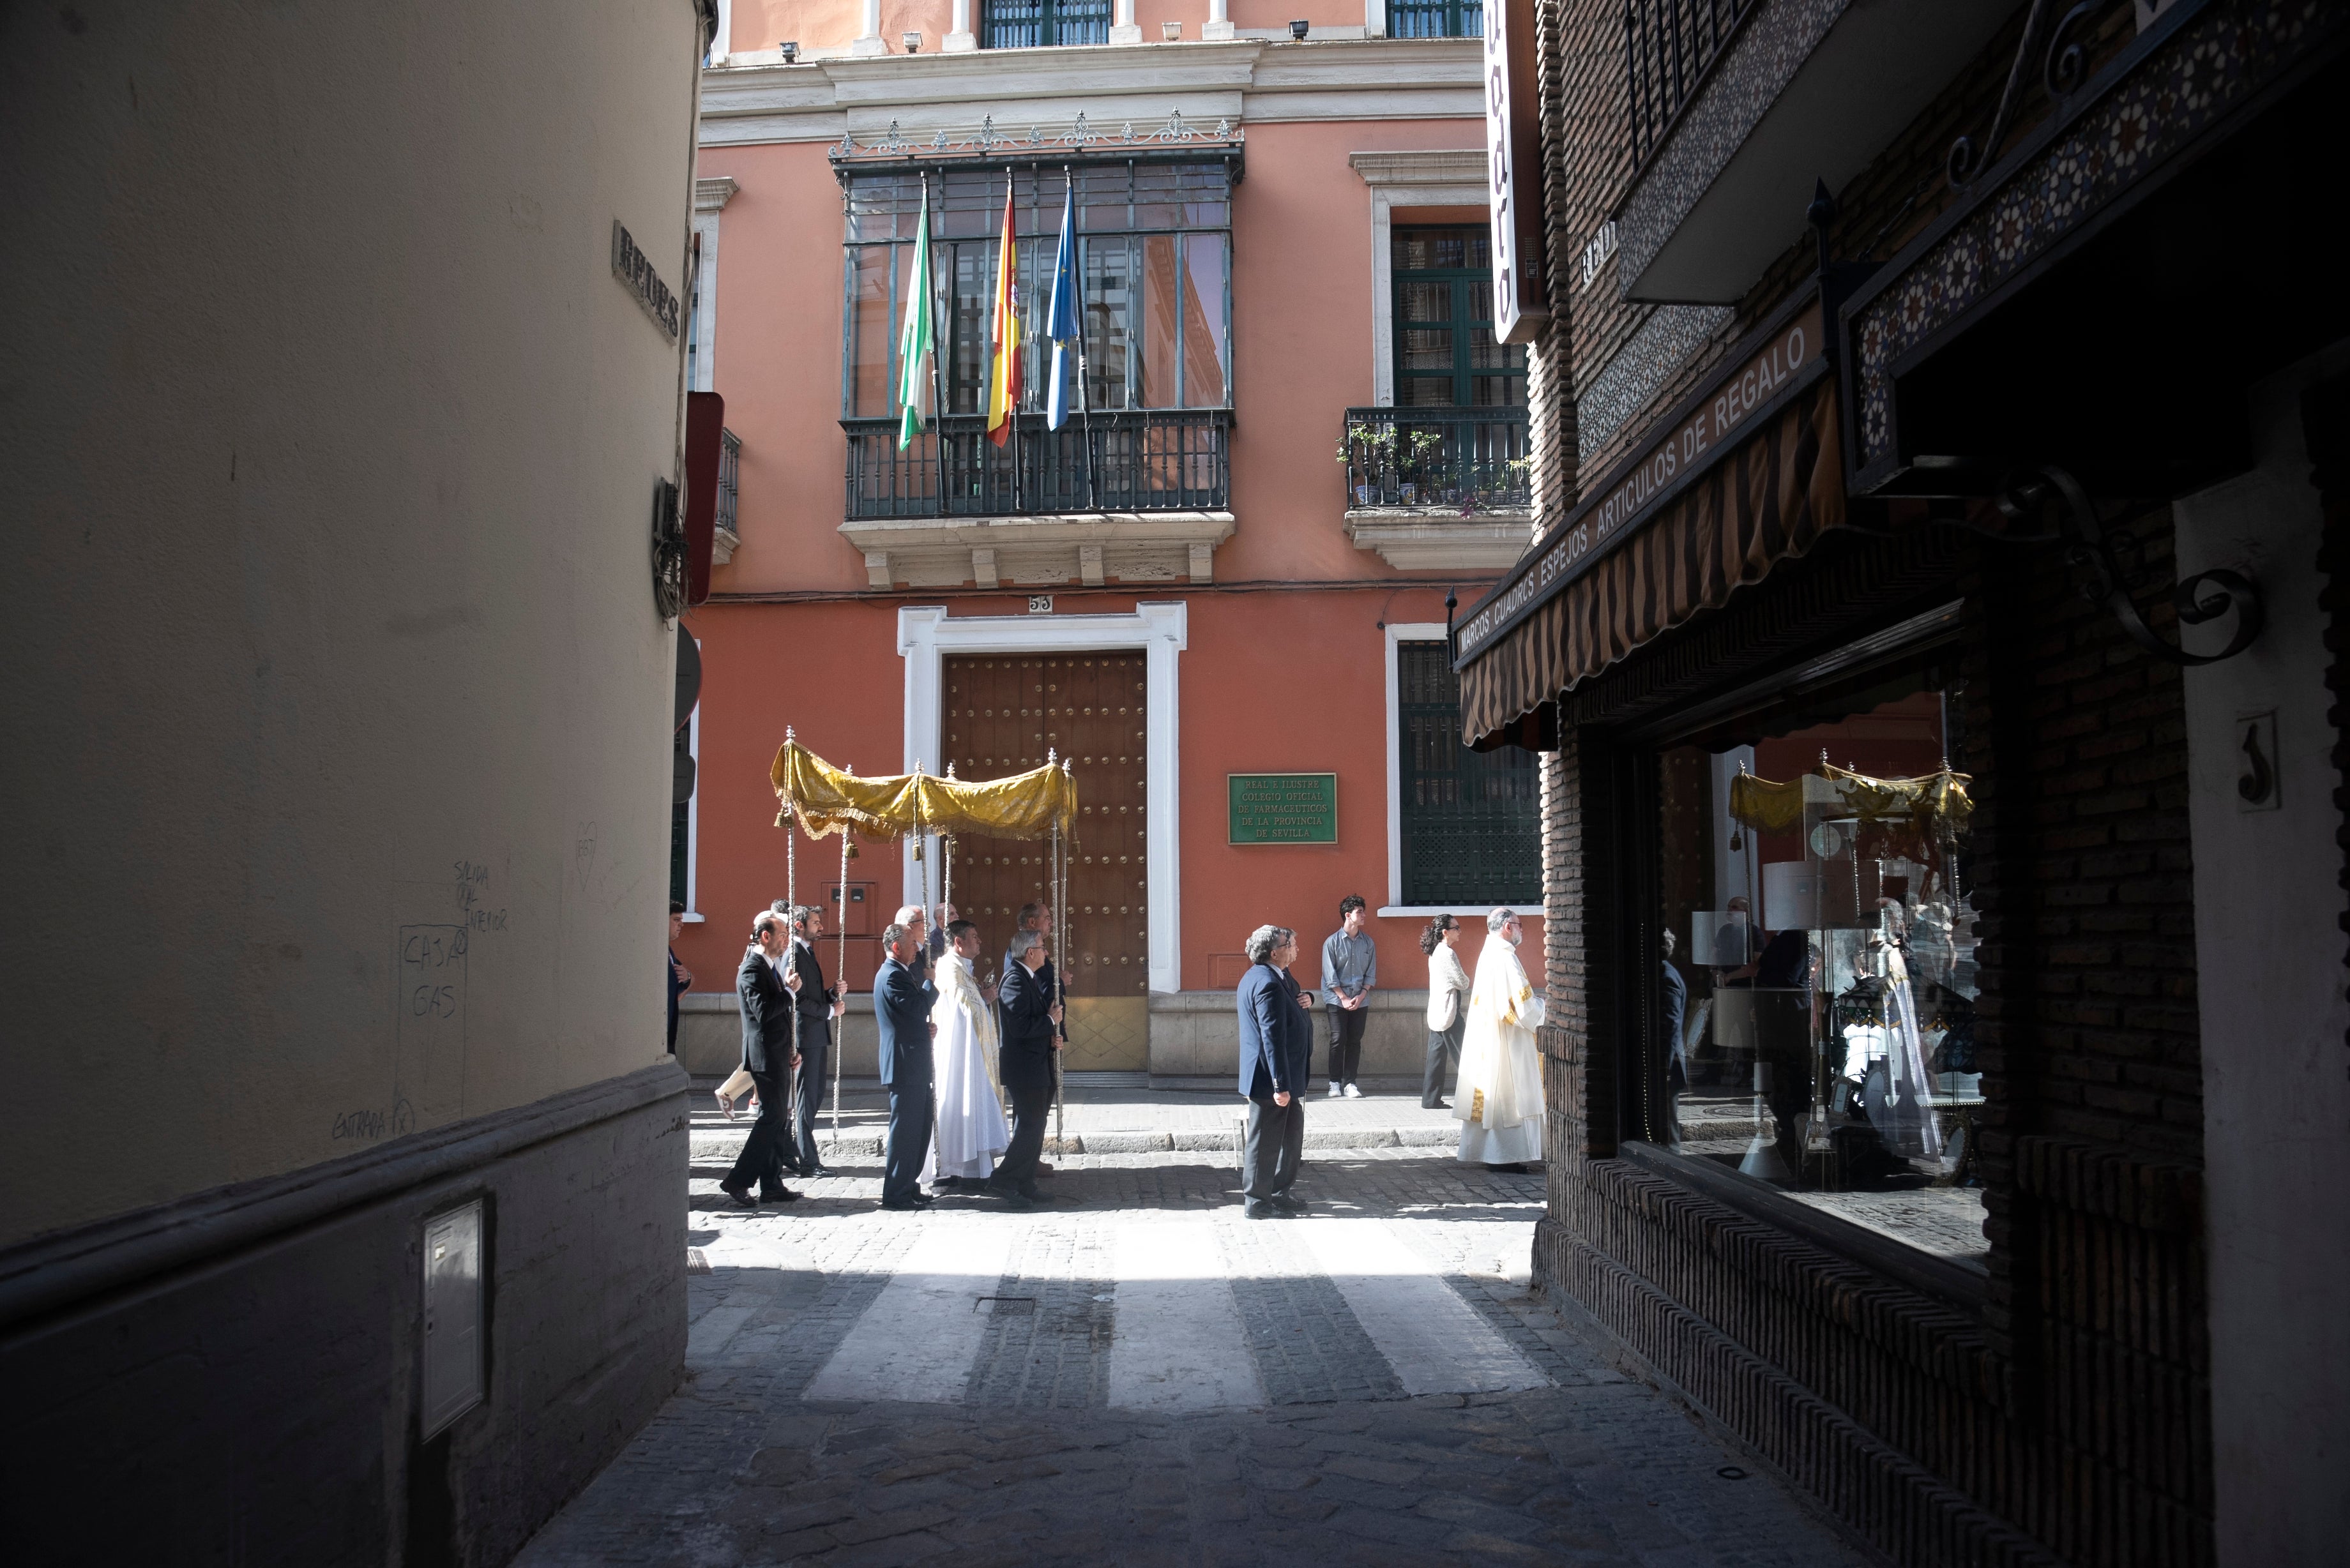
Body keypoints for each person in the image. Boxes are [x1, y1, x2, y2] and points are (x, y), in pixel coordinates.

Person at [720, 910, 803, 1207]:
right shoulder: (752, 968)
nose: (785, 942)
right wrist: (790, 993)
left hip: (778, 1052)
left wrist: (792, 1050)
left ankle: (771, 1184)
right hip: (765, 1055)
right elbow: (764, 1012)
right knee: (772, 1118)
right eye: (782, 936)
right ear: (765, 936)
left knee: (779, 1119)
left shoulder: (768, 965)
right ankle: (738, 1180)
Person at [1455, 908, 1545, 1171]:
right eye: (1519, 924)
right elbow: (1521, 1007)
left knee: (1496, 1092)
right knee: (1509, 1093)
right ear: (1507, 926)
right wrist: (1543, 1007)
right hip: (1507, 1039)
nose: (1522, 930)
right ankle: (1505, 1156)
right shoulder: (1505, 958)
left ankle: (1493, 1153)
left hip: (1490, 1035)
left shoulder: (1489, 954)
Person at [927, 919, 1009, 1187]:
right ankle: (957, 1168)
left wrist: (983, 998)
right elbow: (961, 1013)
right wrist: (983, 1000)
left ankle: (973, 1169)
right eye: (974, 936)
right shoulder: (950, 970)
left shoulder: (961, 968)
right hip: (961, 1057)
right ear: (959, 942)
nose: (980, 941)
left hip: (973, 1054)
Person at [1237, 924, 1311, 1218]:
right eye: (1288, 944)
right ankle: (1257, 1203)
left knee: (1290, 1137)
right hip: (1269, 1077)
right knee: (1265, 1142)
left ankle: (1280, 1193)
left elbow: (1294, 997)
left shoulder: (1275, 976)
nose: (1294, 947)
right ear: (1274, 952)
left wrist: (1310, 1000)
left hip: (1284, 1075)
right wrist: (1280, 1085)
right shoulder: (1265, 981)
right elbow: (1272, 1036)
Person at [989, 927, 1064, 1208]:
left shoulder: (1028, 978)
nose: (1047, 952)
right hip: (1024, 1068)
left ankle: (1025, 1181)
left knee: (1036, 1126)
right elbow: (1019, 1027)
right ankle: (1005, 1178)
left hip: (1036, 1063)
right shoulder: (1014, 981)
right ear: (1030, 952)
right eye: (1043, 947)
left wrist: (1050, 1038)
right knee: (1030, 1127)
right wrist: (1048, 1021)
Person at [775, 901, 844, 1177]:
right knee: (806, 1097)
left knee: (814, 1094)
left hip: (816, 1033)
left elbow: (810, 994)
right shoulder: (793, 953)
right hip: (805, 1034)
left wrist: (830, 994)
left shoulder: (806, 951)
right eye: (816, 923)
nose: (821, 927)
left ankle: (790, 1150)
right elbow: (797, 999)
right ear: (799, 925)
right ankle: (807, 1158)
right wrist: (829, 1011)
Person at [873, 922, 939, 1211]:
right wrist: (929, 983)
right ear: (896, 947)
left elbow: (908, 1017)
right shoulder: (891, 976)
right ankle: (896, 1193)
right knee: (905, 1133)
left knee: (919, 1130)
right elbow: (916, 1008)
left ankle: (909, 1185)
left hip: (914, 1062)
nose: (917, 948)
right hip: (904, 1064)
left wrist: (924, 1031)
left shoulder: (899, 973)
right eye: (912, 943)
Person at [1321, 894, 1377, 1098]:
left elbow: (1371, 973)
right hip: (1336, 999)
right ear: (1348, 915)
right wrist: (1343, 998)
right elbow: (1330, 975)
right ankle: (1334, 1083)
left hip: (1360, 999)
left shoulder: (1368, 943)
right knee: (1338, 1038)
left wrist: (1361, 997)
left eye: (1363, 911)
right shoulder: (1332, 943)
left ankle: (1350, 1083)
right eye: (1359, 912)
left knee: (1355, 1040)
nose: (1364, 915)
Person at [1421, 914, 1469, 1110]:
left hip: (1437, 1011)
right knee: (1465, 1055)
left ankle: (1430, 1100)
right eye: (1456, 928)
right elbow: (1462, 982)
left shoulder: (1435, 952)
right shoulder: (1447, 953)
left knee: (1436, 1057)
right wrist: (1465, 981)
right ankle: (1474, 1098)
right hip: (1449, 1011)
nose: (1460, 931)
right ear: (1445, 932)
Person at [1661, 926, 1688, 1149]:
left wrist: (1665, 1065)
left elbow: (1671, 1024)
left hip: (1668, 1062)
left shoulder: (1667, 976)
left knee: (1668, 1125)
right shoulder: (1664, 972)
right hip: (1666, 1060)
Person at [668, 901, 693, 1057]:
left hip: (669, 1032)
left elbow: (691, 977)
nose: (681, 925)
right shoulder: (653, 950)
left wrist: (688, 976)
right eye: (676, 920)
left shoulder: (669, 952)